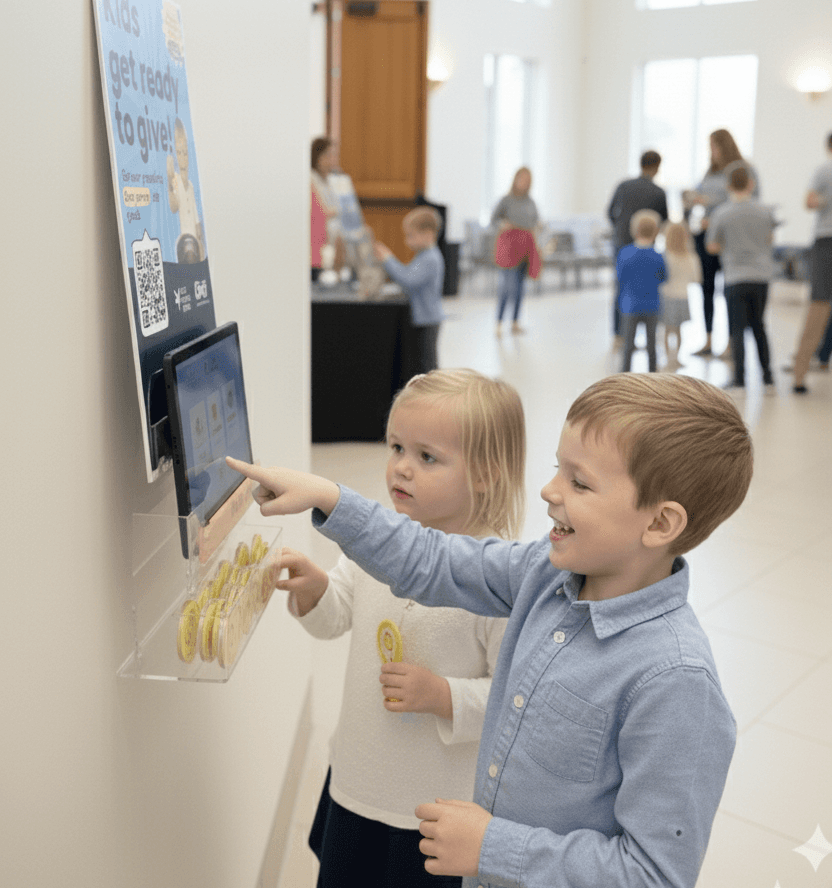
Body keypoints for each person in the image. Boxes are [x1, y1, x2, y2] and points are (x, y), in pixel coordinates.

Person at [227, 371, 752, 888]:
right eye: (557, 470)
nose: (548, 490)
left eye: (579, 482)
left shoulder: (677, 683)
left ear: (660, 524)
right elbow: (430, 559)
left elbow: (654, 873)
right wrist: (329, 498)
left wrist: (492, 846)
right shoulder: (542, 575)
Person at [276, 369, 525, 888]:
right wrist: (315, 587)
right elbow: (337, 613)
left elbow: (512, 701)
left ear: (484, 474)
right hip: (357, 781)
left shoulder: (497, 583)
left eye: (426, 457)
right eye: (395, 448)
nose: (401, 469)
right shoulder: (380, 543)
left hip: (434, 813)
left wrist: (443, 695)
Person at [683, 129, 760, 358]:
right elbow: (695, 196)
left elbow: (750, 201)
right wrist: (693, 200)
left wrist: (714, 207)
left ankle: (730, 343)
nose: (712, 152)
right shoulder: (709, 173)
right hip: (706, 238)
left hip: (731, 241)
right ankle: (707, 340)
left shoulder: (743, 170)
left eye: (715, 146)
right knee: (706, 289)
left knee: (730, 292)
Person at [706, 163, 775, 390]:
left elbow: (712, 246)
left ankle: (740, 377)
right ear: (751, 184)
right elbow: (770, 240)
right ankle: (767, 375)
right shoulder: (765, 211)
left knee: (736, 328)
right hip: (761, 276)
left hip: (735, 277)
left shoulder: (722, 213)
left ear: (728, 186)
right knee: (759, 326)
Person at [374, 206, 445, 381]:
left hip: (427, 320)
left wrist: (387, 259)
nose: (407, 241)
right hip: (424, 318)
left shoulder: (430, 258)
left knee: (427, 367)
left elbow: (408, 279)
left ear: (428, 234)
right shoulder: (423, 255)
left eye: (411, 236)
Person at [607, 150, 669, 339]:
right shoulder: (659, 192)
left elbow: (610, 212)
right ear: (657, 167)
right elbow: (663, 221)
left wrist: (621, 231)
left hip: (621, 244)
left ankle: (619, 334)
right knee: (649, 289)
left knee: (620, 288)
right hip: (647, 249)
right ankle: (649, 333)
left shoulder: (623, 186)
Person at [790, 131, 832, 393]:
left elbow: (809, 202)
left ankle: (799, 375)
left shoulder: (824, 169)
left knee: (818, 305)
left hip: (826, 242)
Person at [490, 167, 540, 336]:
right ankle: (499, 321)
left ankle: (515, 322)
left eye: (528, 180)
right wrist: (503, 226)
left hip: (525, 247)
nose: (524, 183)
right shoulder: (506, 200)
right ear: (516, 179)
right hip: (509, 247)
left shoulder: (531, 202)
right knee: (507, 286)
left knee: (520, 287)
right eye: (522, 179)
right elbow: (494, 220)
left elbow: (536, 221)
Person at [617, 209, 666, 372]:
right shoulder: (658, 256)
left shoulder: (625, 253)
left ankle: (625, 376)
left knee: (628, 345)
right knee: (652, 344)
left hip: (630, 305)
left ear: (634, 230)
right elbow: (664, 277)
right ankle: (652, 375)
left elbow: (620, 277)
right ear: (655, 231)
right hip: (652, 305)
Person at [660, 222, 701, 370]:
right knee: (678, 330)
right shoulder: (691, 257)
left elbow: (659, 277)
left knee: (667, 330)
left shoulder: (664, 256)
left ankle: (667, 358)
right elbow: (696, 278)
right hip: (683, 296)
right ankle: (676, 358)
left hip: (666, 295)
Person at [167, 118, 205, 263]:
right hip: (184, 244)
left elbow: (195, 214)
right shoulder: (175, 180)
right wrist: (169, 180)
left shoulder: (191, 186)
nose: (183, 158)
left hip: (195, 242)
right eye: (179, 153)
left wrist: (200, 238)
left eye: (185, 153)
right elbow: (174, 206)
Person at [311, 137, 345, 280]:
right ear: (317, 157)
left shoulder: (333, 179)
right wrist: (341, 210)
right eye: (328, 155)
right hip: (318, 241)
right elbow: (321, 212)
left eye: (334, 155)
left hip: (334, 239)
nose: (332, 159)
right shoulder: (310, 179)